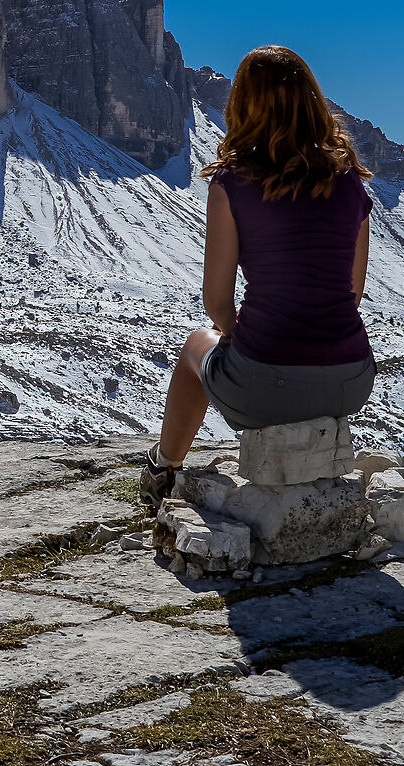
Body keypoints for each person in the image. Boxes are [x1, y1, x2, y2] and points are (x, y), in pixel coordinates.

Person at [140, 45, 375, 509]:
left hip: (268, 386)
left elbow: (217, 304)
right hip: (352, 378)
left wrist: (243, 342)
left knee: (195, 345)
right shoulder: (349, 181)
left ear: (241, 106)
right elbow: (353, 294)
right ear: (312, 101)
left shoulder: (231, 183)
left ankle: (162, 469)